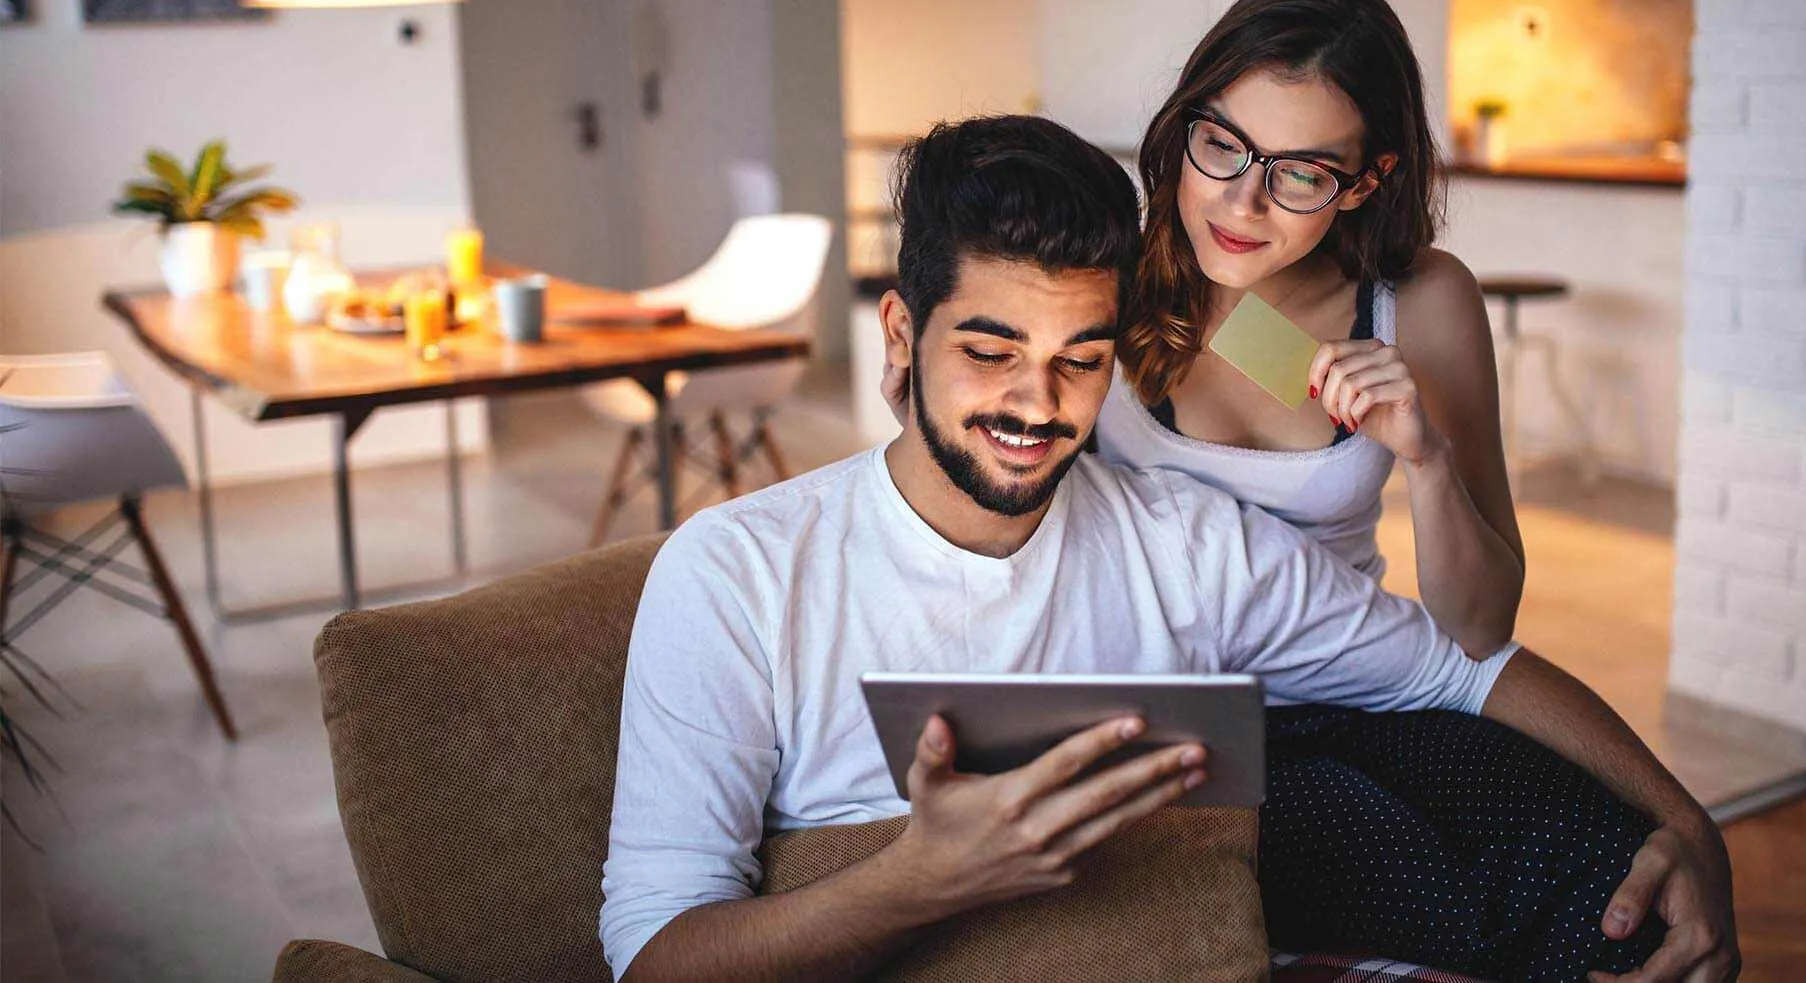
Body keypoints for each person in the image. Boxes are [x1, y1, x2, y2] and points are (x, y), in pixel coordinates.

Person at [602, 116, 1737, 983]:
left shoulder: (1184, 544)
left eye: (1078, 357)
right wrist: (911, 881)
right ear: (900, 335)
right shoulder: (735, 574)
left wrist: (1689, 824)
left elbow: (1467, 667)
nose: (1033, 402)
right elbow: (653, 951)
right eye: (989, 349)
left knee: (1562, 847)